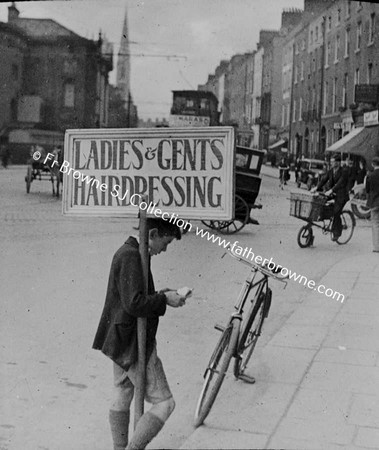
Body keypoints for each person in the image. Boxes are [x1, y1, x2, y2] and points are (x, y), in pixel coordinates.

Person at [93, 218, 187, 450]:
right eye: (164, 243)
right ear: (152, 233)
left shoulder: (133, 253)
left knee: (123, 391)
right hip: (133, 342)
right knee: (165, 403)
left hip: (121, 339)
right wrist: (165, 299)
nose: (164, 250)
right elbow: (134, 303)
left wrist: (162, 295)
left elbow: (135, 295)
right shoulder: (132, 256)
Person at [312, 154, 349, 241]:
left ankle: (337, 233)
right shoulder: (331, 171)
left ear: (338, 163)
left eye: (333, 162)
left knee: (336, 212)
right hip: (332, 193)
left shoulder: (344, 171)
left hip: (341, 195)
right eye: (331, 161)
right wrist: (316, 188)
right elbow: (324, 179)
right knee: (319, 200)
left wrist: (331, 190)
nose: (331, 163)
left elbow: (340, 183)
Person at [365, 156, 379, 252]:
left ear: (373, 164)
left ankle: (376, 247)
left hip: (374, 202)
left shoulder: (370, 175)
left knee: (375, 224)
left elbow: (367, 190)